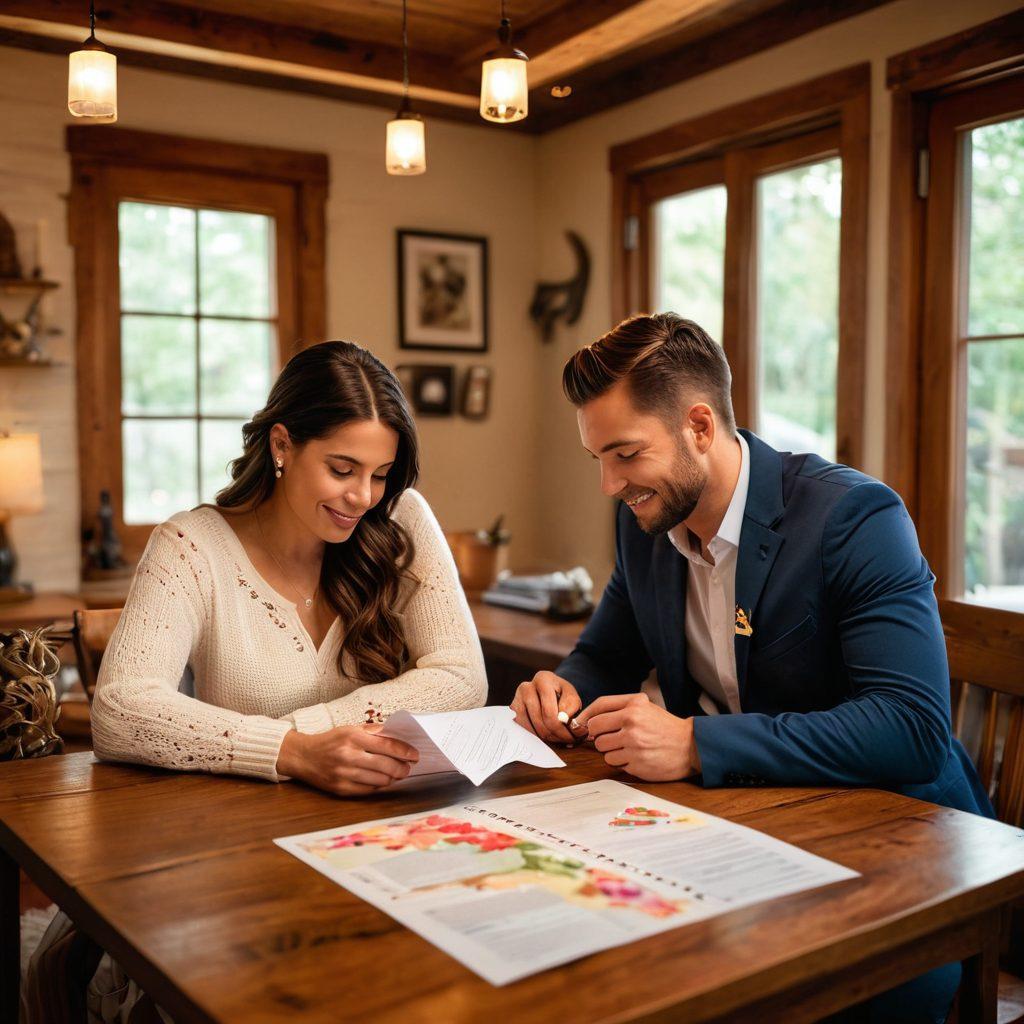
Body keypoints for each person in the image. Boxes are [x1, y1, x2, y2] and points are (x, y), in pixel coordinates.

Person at [511, 312, 991, 1023]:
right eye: (599, 460)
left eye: (626, 454)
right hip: (746, 836)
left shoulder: (854, 518)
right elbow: (609, 653)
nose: (611, 484)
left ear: (699, 427)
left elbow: (911, 726)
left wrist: (693, 744)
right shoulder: (646, 521)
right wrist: (565, 687)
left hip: (903, 860)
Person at [93, 340, 486, 796]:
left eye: (379, 474)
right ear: (282, 445)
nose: (363, 496)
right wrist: (296, 752)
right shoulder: (189, 547)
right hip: (243, 829)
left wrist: (312, 729)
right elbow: (120, 708)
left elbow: (462, 679)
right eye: (342, 470)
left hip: (384, 820)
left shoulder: (401, 519)